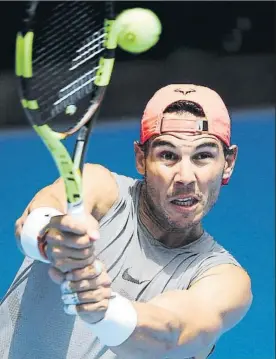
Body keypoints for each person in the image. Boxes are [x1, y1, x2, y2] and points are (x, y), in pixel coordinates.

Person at [0, 84, 252, 359]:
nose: (185, 177)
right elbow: (34, 219)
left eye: (203, 156)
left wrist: (103, 308)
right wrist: (51, 238)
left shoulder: (225, 280)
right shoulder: (100, 188)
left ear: (228, 163)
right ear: (141, 159)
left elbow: (172, 334)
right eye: (168, 155)